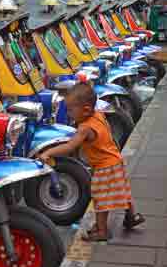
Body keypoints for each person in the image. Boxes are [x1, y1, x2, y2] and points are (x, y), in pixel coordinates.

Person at [39, 83, 145, 242]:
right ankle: (131, 216)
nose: (68, 114)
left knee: (100, 199)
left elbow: (70, 146)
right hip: (115, 160)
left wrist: (48, 152)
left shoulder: (85, 128)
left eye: (70, 110)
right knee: (121, 190)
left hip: (104, 167)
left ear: (86, 110)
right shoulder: (98, 115)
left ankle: (102, 231)